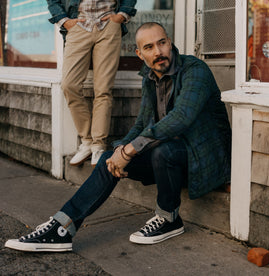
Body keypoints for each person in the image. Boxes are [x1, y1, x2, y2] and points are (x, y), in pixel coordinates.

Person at [5, 22, 231, 252]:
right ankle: (62, 227)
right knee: (107, 159)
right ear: (139, 53)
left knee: (164, 151)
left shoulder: (195, 70)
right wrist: (120, 150)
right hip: (168, 159)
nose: (158, 52)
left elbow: (181, 117)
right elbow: (142, 124)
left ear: (170, 42)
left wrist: (130, 150)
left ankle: (169, 218)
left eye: (162, 43)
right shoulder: (150, 77)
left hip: (203, 158)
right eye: (149, 47)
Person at [46, 0, 137, 166]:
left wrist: (121, 15)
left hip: (109, 25)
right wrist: (64, 20)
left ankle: (98, 145)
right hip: (78, 24)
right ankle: (87, 140)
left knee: (103, 89)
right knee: (69, 85)